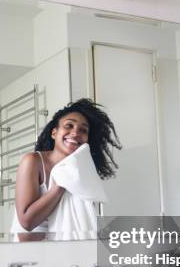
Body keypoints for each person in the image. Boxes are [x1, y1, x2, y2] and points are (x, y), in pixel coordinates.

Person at [11, 98, 121, 241]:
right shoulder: (33, 161)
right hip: (30, 253)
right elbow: (26, 222)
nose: (75, 133)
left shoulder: (81, 169)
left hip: (65, 249)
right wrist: (61, 184)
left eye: (83, 130)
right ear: (54, 133)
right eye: (69, 125)